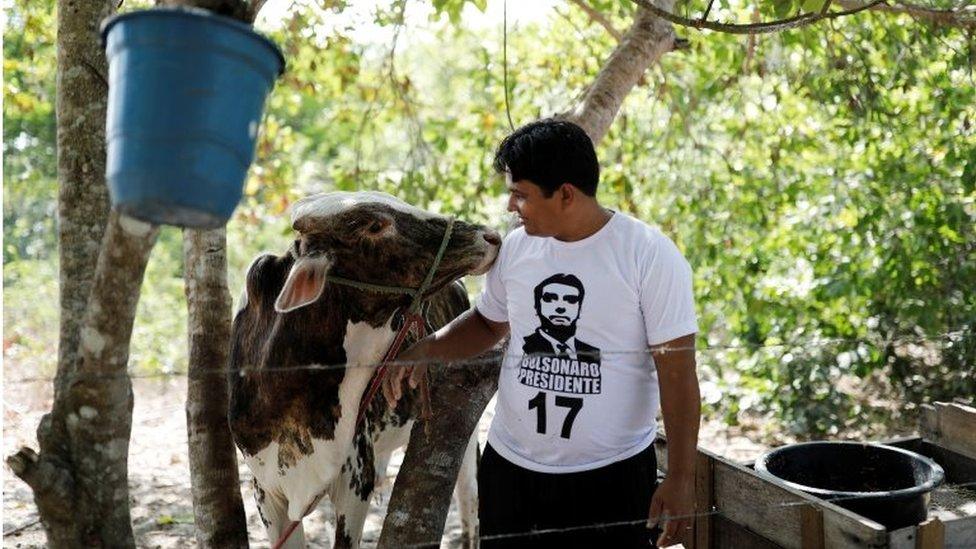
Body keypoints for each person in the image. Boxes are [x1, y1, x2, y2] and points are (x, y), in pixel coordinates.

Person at [383, 119, 700, 548]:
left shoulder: (647, 255)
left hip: (611, 477)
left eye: (522, 194)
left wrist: (681, 478)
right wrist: (429, 349)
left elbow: (678, 374)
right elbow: (488, 322)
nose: (512, 205)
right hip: (511, 471)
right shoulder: (518, 247)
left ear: (566, 193)